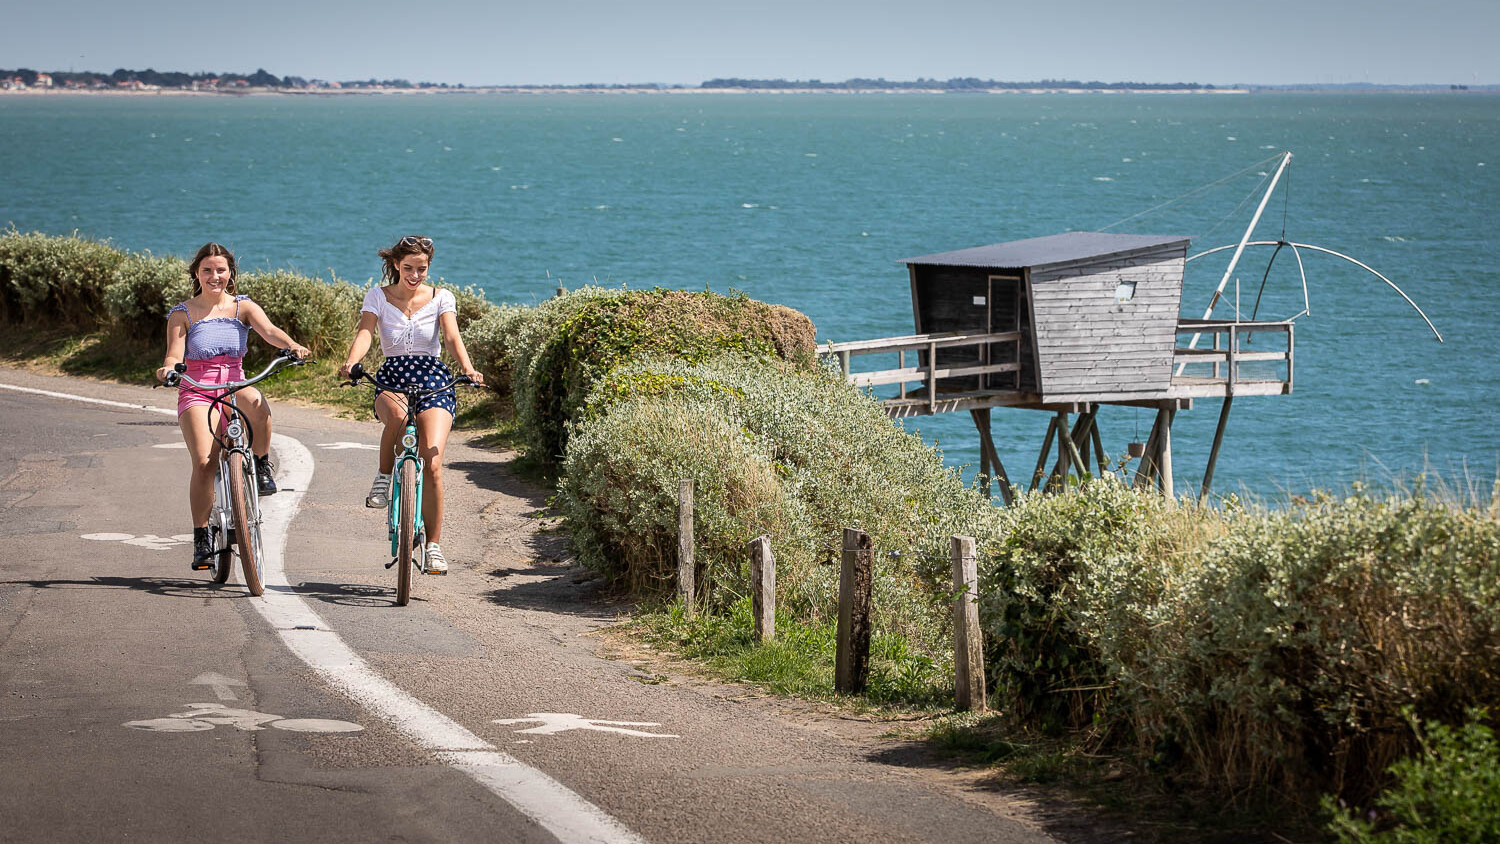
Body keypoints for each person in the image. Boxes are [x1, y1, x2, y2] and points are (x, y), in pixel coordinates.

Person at [155, 242, 310, 570]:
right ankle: (201, 535)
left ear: (231, 274)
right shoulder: (182, 313)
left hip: (235, 385)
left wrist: (292, 345)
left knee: (258, 403)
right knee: (204, 463)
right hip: (197, 390)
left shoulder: (243, 307)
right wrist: (168, 369)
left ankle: (262, 462)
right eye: (207, 270)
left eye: (220, 270)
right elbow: (173, 354)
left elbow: (270, 332)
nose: (214, 276)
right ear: (197, 273)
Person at [337, 235, 483, 575]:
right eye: (408, 268)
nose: (415, 275)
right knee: (400, 418)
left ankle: (433, 547)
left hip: (433, 376)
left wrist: (468, 368)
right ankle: (384, 477)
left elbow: (450, 337)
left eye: (422, 269)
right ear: (396, 266)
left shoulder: (441, 297)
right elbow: (366, 333)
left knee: (432, 462)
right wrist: (351, 362)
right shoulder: (378, 295)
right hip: (392, 375)